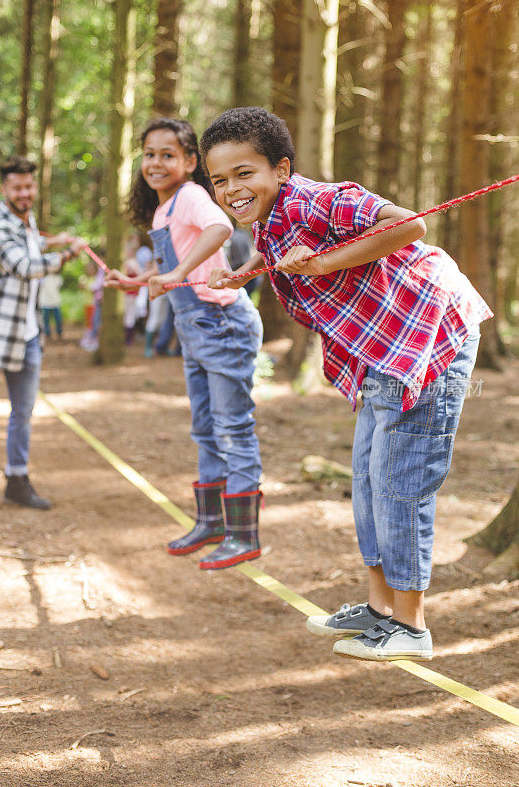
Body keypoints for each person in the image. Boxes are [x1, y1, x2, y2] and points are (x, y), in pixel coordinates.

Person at [200, 107, 492, 660]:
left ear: (282, 170)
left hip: (430, 335)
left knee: (401, 479)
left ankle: (411, 626)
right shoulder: (272, 217)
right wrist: (245, 271)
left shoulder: (317, 199)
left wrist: (326, 264)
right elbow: (276, 245)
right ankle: (381, 609)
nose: (232, 189)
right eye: (220, 180)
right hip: (386, 349)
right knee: (367, 475)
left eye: (245, 173)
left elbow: (410, 224)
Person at [105, 117, 263, 569]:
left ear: (190, 162)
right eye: (149, 154)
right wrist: (135, 282)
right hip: (194, 328)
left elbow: (220, 229)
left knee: (232, 428)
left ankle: (244, 534)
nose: (156, 162)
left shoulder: (193, 196)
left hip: (221, 323)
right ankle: (212, 520)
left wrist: (172, 274)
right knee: (204, 428)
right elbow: (182, 270)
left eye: (167, 154)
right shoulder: (165, 209)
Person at [0, 156, 84, 509]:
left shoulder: (26, 223)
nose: (25, 192)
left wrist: (53, 241)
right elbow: (24, 267)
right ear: (4, 189)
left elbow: (31, 247)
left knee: (22, 414)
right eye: (17, 187)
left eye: (29, 186)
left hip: (27, 336)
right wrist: (68, 253)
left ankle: (16, 480)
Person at [39, 272, 63, 339]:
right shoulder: (42, 277)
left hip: (55, 302)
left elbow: (59, 285)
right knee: (46, 320)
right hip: (45, 302)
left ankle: (59, 333)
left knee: (58, 319)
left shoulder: (57, 277)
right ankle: (47, 334)